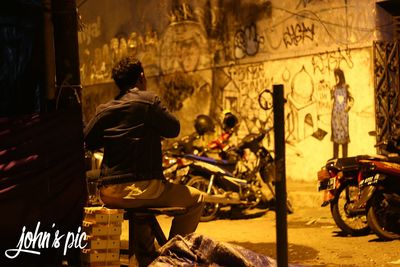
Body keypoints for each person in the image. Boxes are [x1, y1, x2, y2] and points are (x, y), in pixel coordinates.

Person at [84, 56, 204, 266]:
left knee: (140, 208)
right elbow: (173, 128)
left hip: (109, 193)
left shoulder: (104, 109)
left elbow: (88, 140)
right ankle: (172, 257)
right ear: (141, 77)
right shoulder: (148, 101)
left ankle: (146, 256)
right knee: (196, 199)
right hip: (144, 189)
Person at [331, 68, 354, 158]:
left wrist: (347, 108)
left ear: (340, 76)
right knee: (336, 138)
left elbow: (352, 100)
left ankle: (345, 158)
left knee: (344, 137)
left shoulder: (346, 87)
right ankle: (335, 158)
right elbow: (330, 99)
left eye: (337, 76)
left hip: (343, 117)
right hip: (335, 116)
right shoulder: (334, 88)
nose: (336, 78)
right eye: (335, 76)